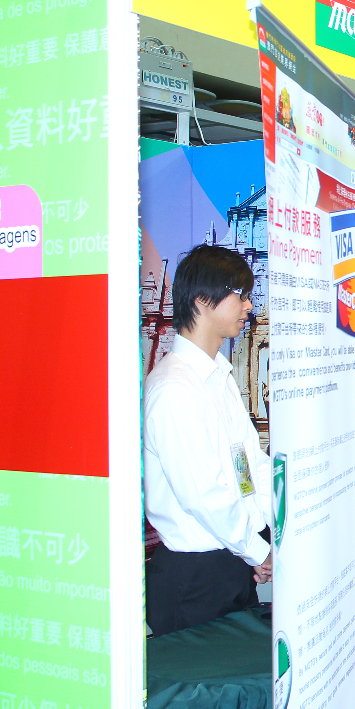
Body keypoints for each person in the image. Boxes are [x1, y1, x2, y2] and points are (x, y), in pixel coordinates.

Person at [143, 245, 274, 636]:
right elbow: (203, 495)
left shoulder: (219, 377)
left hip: (234, 560)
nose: (248, 306)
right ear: (202, 299)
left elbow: (250, 464)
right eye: (240, 295)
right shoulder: (174, 388)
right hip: (194, 579)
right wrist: (257, 550)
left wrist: (265, 537)